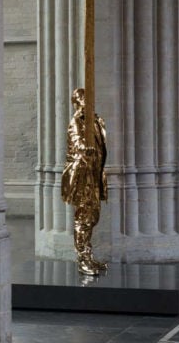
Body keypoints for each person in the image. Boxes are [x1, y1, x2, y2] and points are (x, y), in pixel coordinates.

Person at [61, 88, 108, 276]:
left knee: (93, 216)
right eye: (82, 100)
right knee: (83, 217)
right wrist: (84, 149)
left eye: (88, 99)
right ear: (76, 103)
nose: (87, 103)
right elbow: (76, 142)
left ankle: (89, 255)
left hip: (95, 173)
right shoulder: (76, 122)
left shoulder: (97, 122)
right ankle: (82, 259)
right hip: (82, 175)